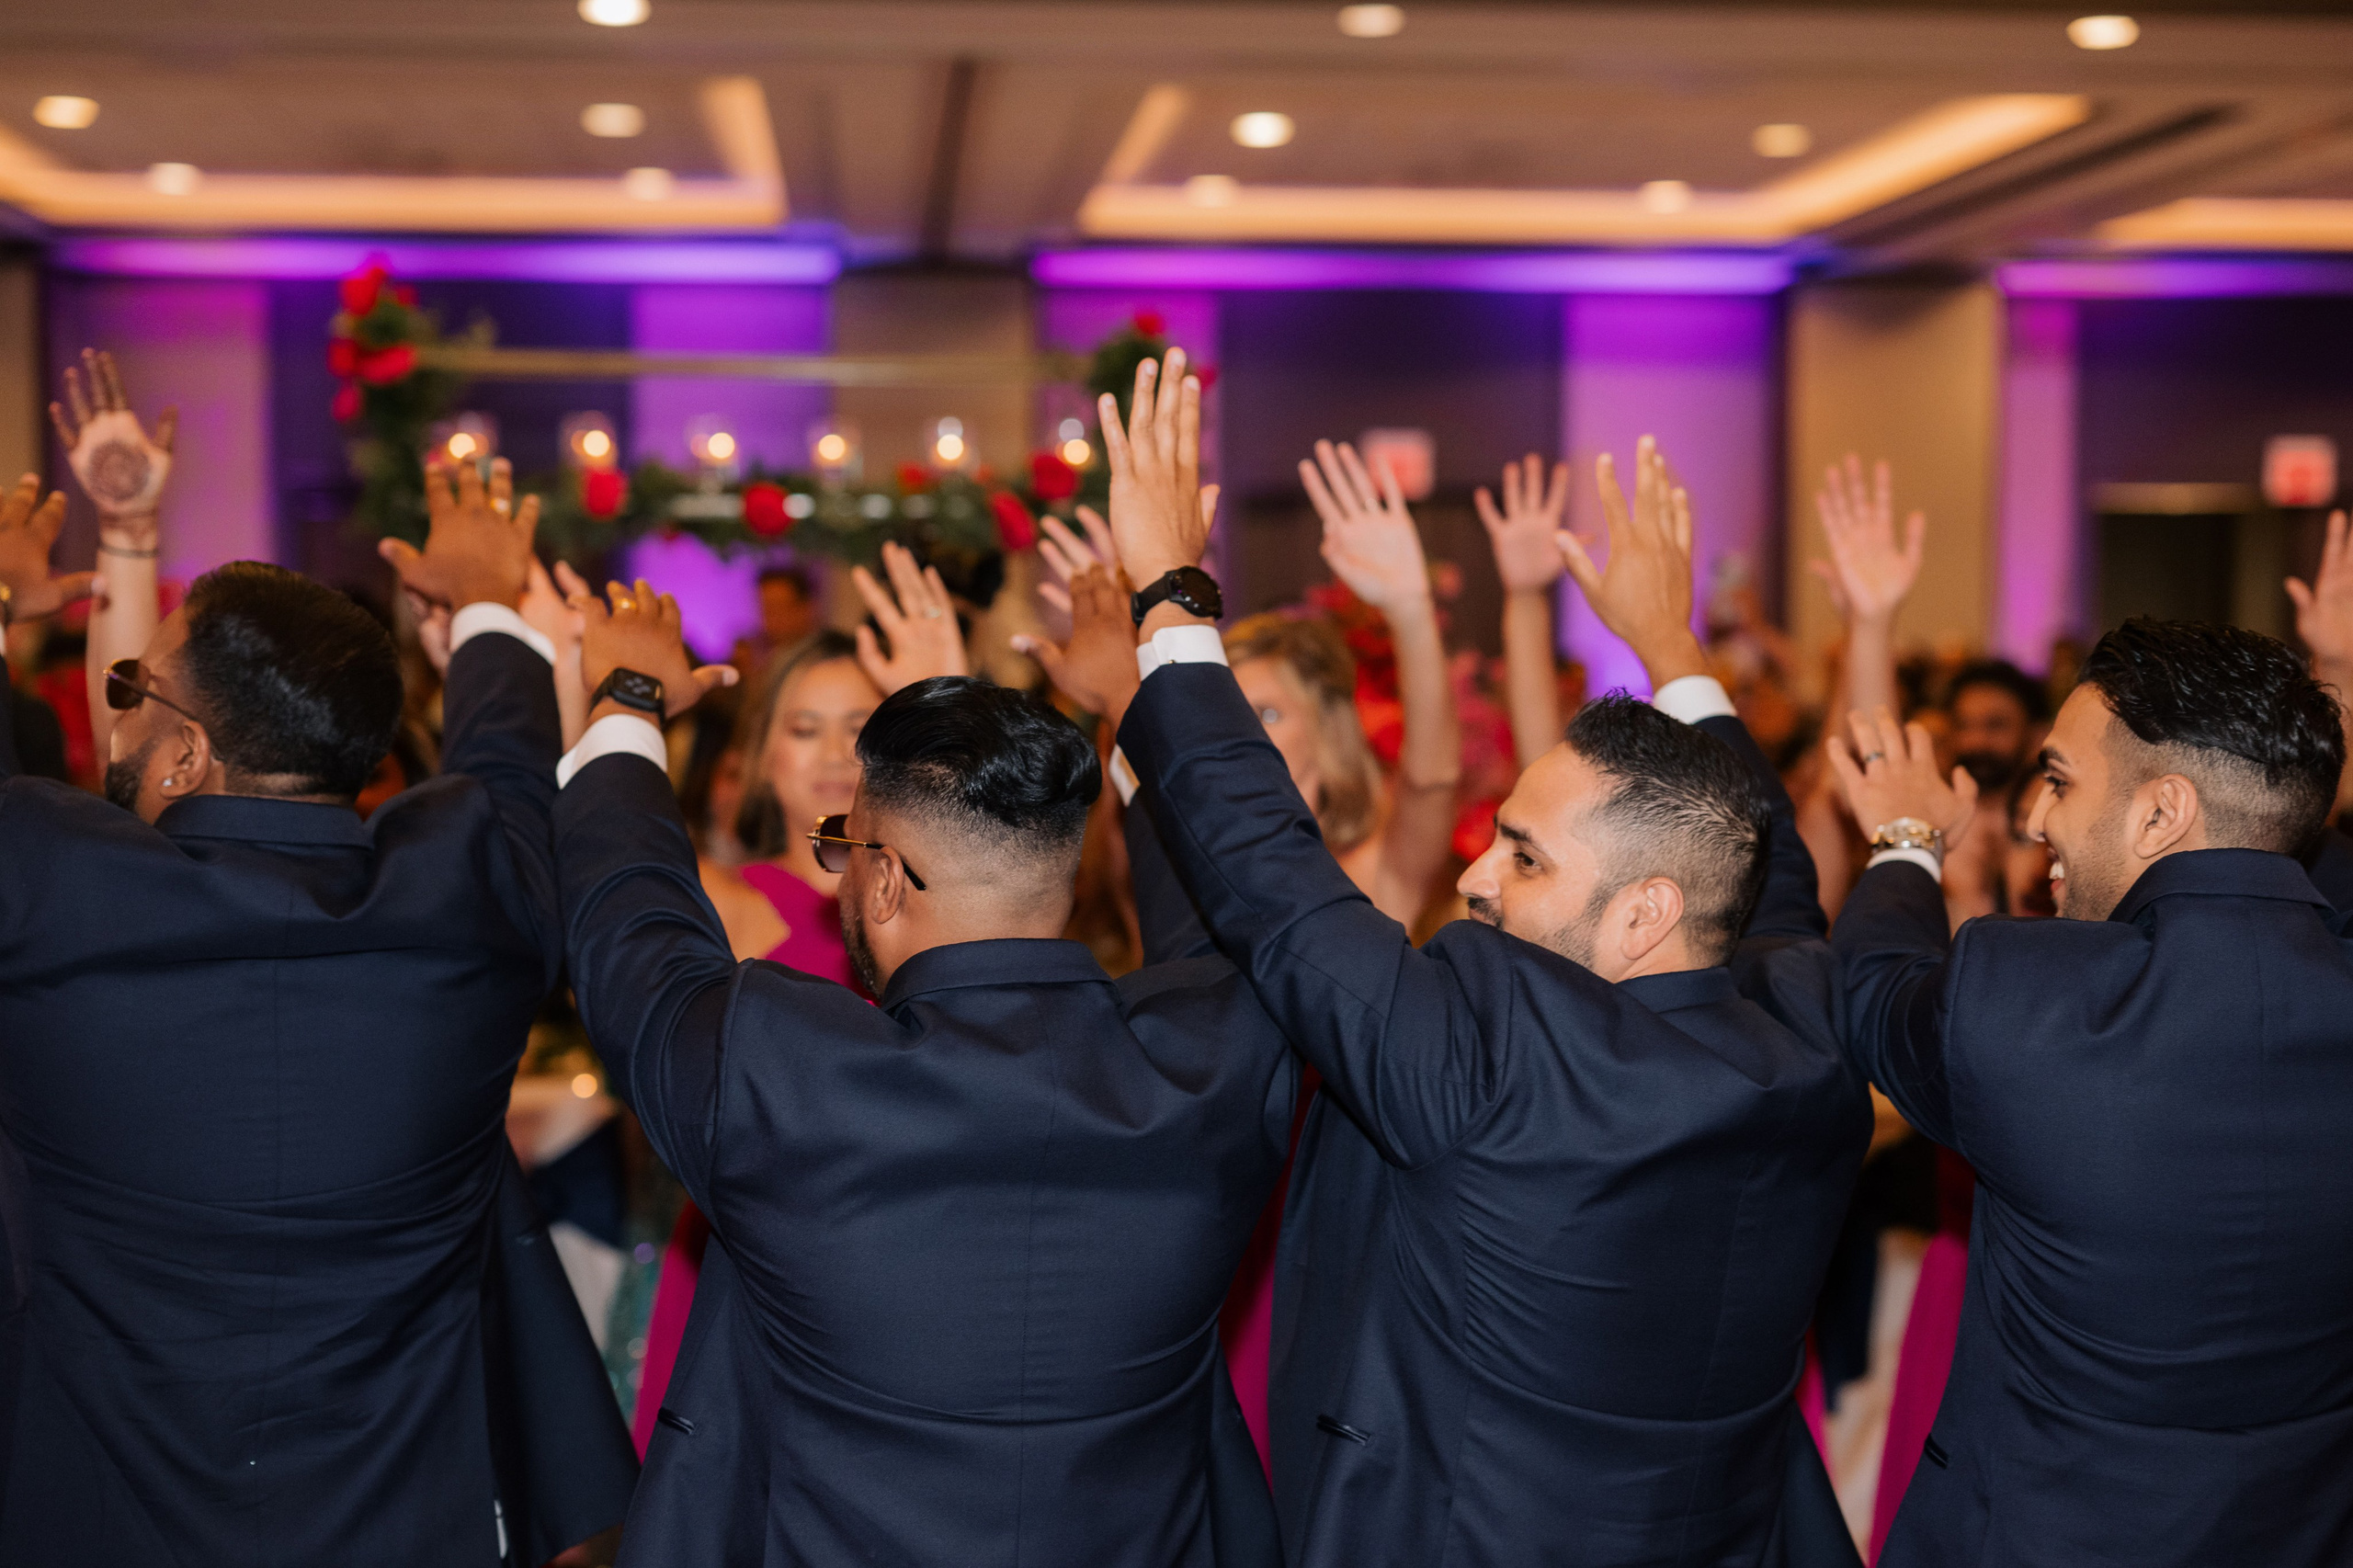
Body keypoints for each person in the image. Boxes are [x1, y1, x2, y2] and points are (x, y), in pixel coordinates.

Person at [1095, 348, 1869, 1565]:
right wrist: (1671, 641)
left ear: (1642, 913)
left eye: (1524, 855)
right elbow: (1773, 883)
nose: (1473, 876)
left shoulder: (1495, 1061)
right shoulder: (1809, 1035)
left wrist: (1171, 601)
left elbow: (1279, 890)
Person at [0, 352, 633, 1567]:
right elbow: (505, 772)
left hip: (98, 1518)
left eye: (132, 686)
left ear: (181, 754)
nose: (113, 704)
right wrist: (492, 605)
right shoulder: (468, 893)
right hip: (402, 1521)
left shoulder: (45, 883)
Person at [545, 574, 1295, 1564]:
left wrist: (626, 704)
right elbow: (1229, 912)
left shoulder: (781, 1069)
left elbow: (627, 928)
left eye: (845, 849)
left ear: (886, 878)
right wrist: (1135, 701)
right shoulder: (1216, 1057)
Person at [1826, 615, 2353, 1567]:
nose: (2034, 816)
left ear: (2161, 812)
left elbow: (1870, 994)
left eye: (2060, 778)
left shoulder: (2027, 1000)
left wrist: (1905, 839)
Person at [630, 541, 966, 1458]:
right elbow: (597, 857)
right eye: (805, 726)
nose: (831, 756)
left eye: (859, 727)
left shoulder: (948, 900)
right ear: (760, 753)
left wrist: (953, 712)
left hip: (924, 1262)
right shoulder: (722, 898)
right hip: (756, 1273)